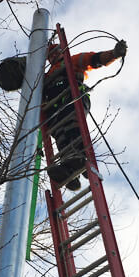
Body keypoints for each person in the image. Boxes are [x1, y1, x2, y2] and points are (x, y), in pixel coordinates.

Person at [43, 39, 127, 190]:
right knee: (60, 134)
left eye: (55, 52)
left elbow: (94, 59)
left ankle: (80, 160)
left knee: (71, 127)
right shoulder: (46, 76)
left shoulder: (71, 60)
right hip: (56, 110)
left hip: (73, 99)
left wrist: (114, 54)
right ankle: (69, 173)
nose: (53, 56)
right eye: (50, 55)